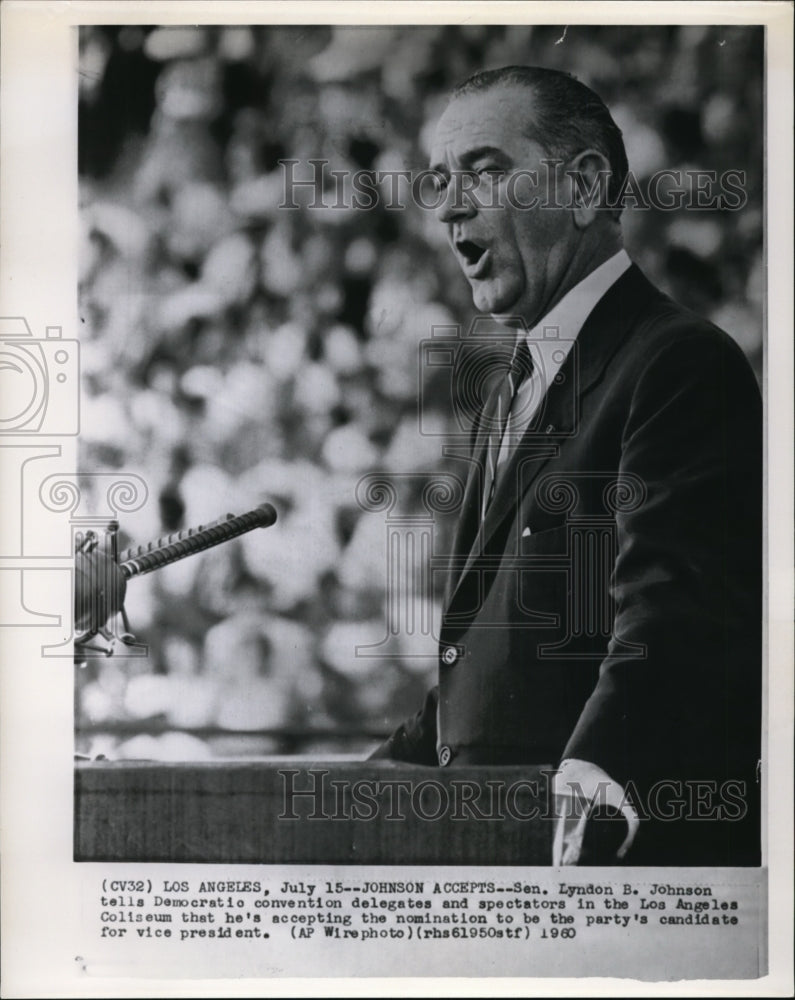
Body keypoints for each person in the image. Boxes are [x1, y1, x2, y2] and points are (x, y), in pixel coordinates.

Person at [370, 66, 762, 866]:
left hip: (606, 870)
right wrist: (366, 789)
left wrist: (596, 774)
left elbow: (670, 615)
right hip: (500, 860)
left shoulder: (677, 364)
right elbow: (484, 659)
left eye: (485, 170)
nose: (449, 207)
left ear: (584, 186)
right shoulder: (507, 393)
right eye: (441, 180)